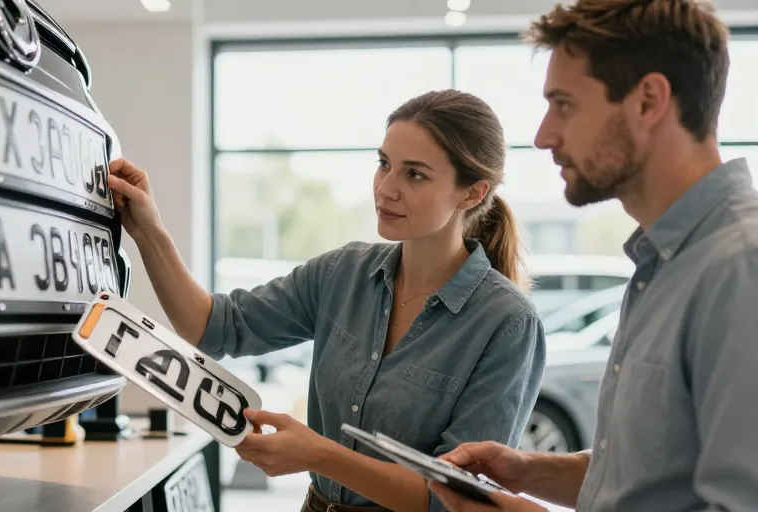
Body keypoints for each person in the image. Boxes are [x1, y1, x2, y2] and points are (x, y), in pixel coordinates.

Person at [106, 89, 547, 512]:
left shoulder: (507, 323)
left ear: (472, 193)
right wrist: (149, 232)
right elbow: (212, 327)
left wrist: (318, 454)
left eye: (415, 174)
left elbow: (454, 501)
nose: (386, 189)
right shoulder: (342, 274)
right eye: (384, 164)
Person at [429, 1, 758, 511]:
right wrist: (529, 471)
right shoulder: (665, 263)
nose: (544, 136)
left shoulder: (740, 267)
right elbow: (649, 479)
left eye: (564, 104)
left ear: (648, 101)